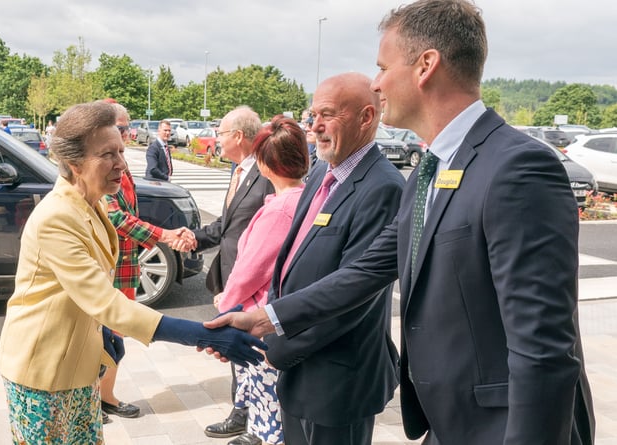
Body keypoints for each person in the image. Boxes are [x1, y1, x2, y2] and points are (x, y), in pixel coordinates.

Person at [207, 1, 596, 444]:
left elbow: (543, 348)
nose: (376, 82)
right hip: (448, 421)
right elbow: (365, 271)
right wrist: (266, 318)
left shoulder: (517, 167)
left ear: (426, 66)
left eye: (383, 66)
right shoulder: (426, 173)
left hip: (502, 428)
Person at [0, 100, 266, 444]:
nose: (121, 164)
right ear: (74, 163)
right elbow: (106, 302)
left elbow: (87, 293)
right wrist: (203, 334)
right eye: (108, 154)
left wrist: (101, 332)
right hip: (44, 372)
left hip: (76, 364)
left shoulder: (89, 204)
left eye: (121, 151)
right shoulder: (57, 217)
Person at [211, 72, 406, 445]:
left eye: (328, 114)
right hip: (300, 370)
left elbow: (353, 295)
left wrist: (275, 344)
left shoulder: (383, 188)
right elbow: (291, 263)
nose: (314, 126)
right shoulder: (321, 171)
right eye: (313, 114)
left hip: (338, 379)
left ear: (367, 117)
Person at [177, 105, 275, 441]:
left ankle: (251, 420)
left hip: (253, 285)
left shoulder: (266, 176)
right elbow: (227, 227)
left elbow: (270, 237)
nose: (214, 138)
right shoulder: (239, 172)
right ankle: (242, 412)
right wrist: (194, 239)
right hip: (232, 280)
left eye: (219, 132)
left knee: (253, 353)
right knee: (237, 350)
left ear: (238, 136)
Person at [212, 115, 308, 445]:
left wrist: (225, 305)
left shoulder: (281, 209)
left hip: (261, 320)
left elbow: (250, 270)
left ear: (266, 163)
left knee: (269, 415)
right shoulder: (305, 199)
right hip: (281, 317)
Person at [100, 102, 193, 421]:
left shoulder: (120, 163)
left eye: (127, 128)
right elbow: (115, 217)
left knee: (115, 336)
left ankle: (105, 397)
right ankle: (94, 402)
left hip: (124, 267)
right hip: (107, 271)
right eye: (122, 128)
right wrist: (165, 236)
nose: (129, 134)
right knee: (102, 341)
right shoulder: (97, 167)